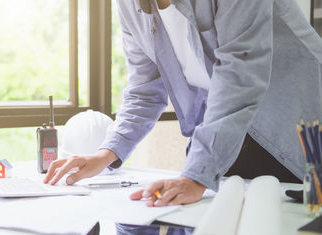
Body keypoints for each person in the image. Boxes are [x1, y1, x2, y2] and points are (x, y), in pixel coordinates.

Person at [44, 0, 322, 206]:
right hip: (227, 131)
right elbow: (144, 89)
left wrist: (197, 175)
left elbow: (241, 75)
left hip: (299, 127)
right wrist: (106, 153)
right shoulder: (130, 5)